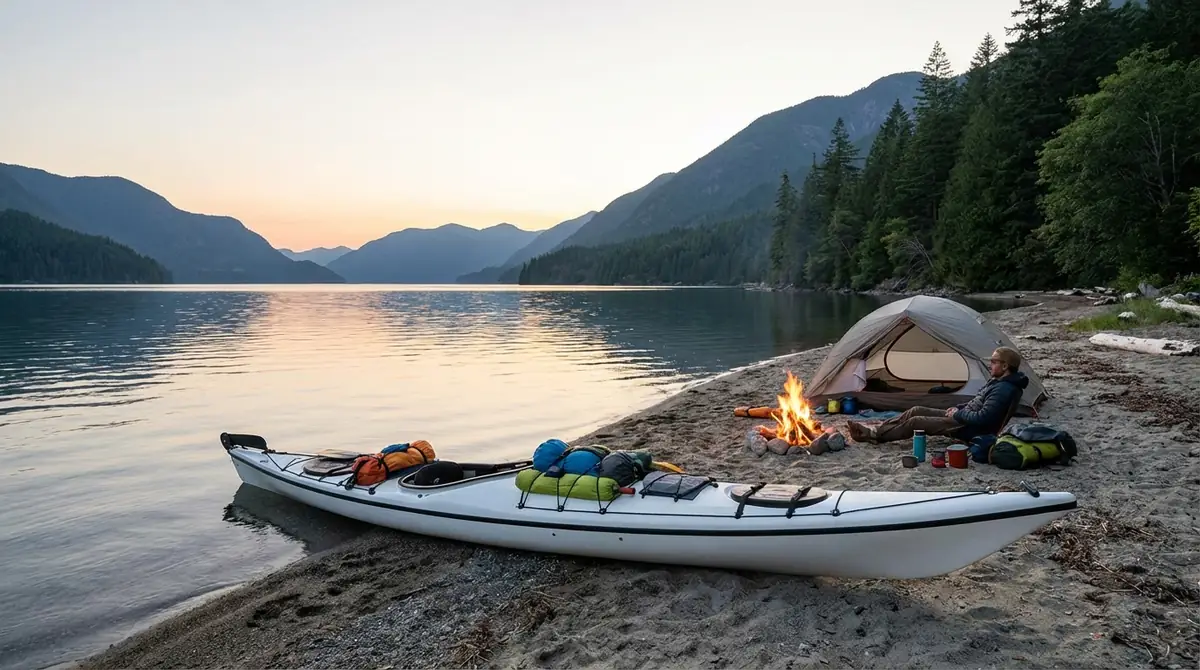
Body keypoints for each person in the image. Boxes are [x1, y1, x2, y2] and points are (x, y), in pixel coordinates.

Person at [845, 346, 1029, 444]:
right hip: (962, 417)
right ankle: (877, 430)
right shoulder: (997, 382)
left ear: (1005, 366)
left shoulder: (1004, 389)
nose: (991, 364)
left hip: (969, 428)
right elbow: (976, 404)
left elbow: (983, 418)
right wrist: (958, 408)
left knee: (916, 422)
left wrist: (957, 414)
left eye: (994, 361)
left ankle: (874, 435)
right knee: (915, 410)